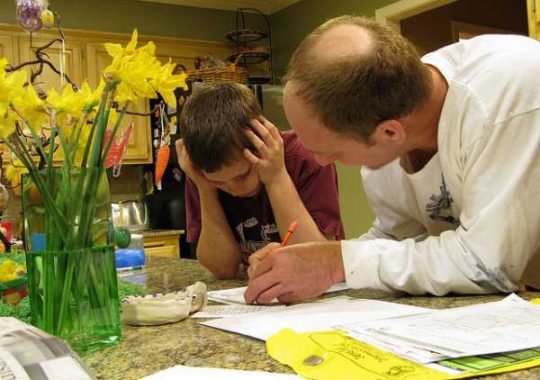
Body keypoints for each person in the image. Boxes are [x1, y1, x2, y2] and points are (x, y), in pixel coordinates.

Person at [244, 15, 540, 304]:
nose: (321, 163)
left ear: (389, 132)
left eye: (333, 152)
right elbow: (395, 239)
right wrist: (314, 260)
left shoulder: (506, 98)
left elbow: (486, 265)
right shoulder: (387, 118)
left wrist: (335, 262)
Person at [176, 82, 344, 279]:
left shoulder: (305, 158)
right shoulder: (201, 174)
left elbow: (317, 262)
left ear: (262, 141)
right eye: (219, 182)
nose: (233, 189)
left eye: (242, 175)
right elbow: (222, 268)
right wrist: (205, 188)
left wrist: (277, 177)